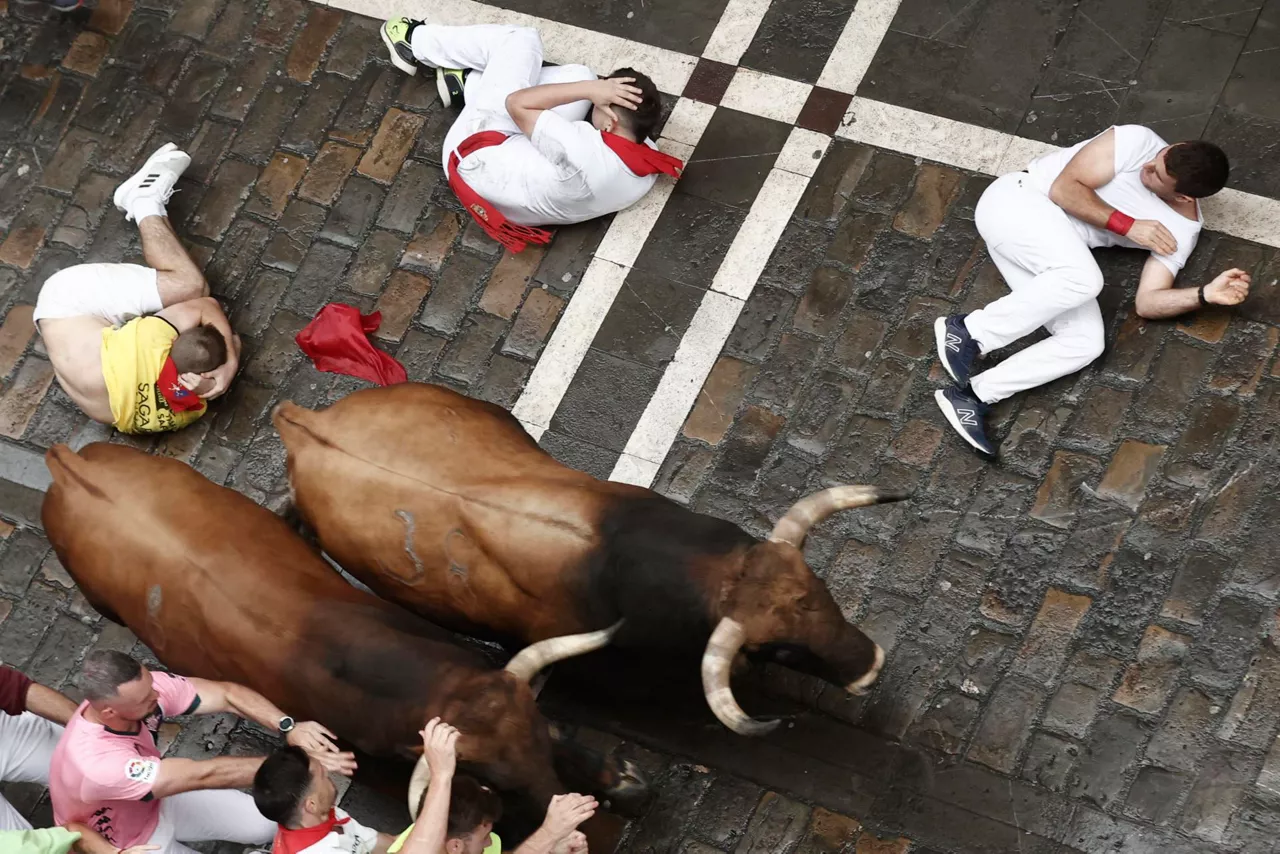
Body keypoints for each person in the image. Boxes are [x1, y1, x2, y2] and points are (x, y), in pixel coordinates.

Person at [932, 125, 1251, 456]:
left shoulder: (1181, 230)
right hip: (1019, 201)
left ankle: (973, 396)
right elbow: (1063, 189)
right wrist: (1129, 227)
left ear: (1183, 197)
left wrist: (1204, 295)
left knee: (1085, 342)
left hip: (1044, 258)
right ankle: (970, 330)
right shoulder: (1136, 141)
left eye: (1156, 175)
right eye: (1158, 159)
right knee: (1085, 279)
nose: (1147, 167)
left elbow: (1148, 302)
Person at [378, 18, 683, 252]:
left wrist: (592, 90)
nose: (597, 101)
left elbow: (517, 104)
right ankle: (466, 85)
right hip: (516, 187)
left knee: (521, 40)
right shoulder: (644, 162)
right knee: (578, 77)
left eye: (603, 104)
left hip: (472, 152)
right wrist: (592, 88)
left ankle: (412, 42)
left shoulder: (581, 152)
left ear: (610, 124)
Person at [49, 650, 357, 854]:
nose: (157, 695)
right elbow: (203, 774)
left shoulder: (144, 693)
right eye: (146, 699)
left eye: (152, 687)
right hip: (129, 843)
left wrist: (288, 727)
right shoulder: (96, 763)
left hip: (157, 800)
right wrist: (297, 764)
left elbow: (225, 694)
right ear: (109, 713)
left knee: (264, 822)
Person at [35, 142, 242, 435]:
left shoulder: (155, 353)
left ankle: (143, 201)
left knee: (193, 290)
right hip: (74, 346)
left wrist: (228, 367)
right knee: (188, 291)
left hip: (70, 299)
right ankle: (143, 201)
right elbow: (212, 318)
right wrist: (222, 372)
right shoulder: (175, 400)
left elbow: (209, 309)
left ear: (170, 346)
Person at [384, 720, 592, 854]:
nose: (490, 844)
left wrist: (551, 849)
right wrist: (549, 833)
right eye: (484, 839)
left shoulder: (434, 829)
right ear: (455, 847)